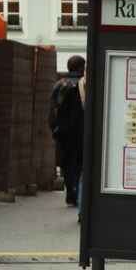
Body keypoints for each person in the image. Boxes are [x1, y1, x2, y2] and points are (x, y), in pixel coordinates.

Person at [49, 55, 85, 210]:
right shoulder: (84, 84)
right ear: (81, 67)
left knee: (66, 162)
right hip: (80, 130)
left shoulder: (60, 84)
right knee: (78, 162)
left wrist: (55, 129)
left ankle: (70, 192)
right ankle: (79, 192)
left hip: (64, 130)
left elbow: (53, 108)